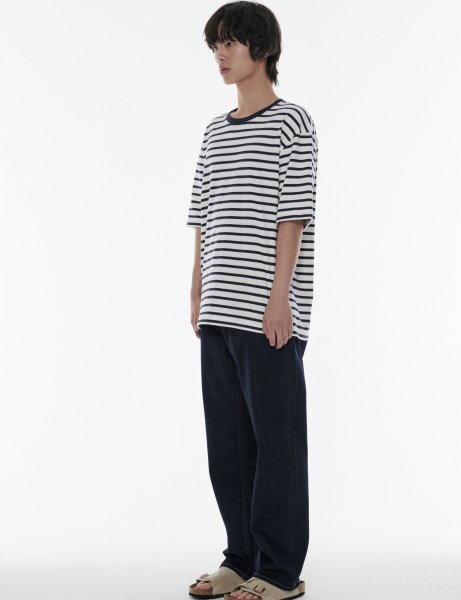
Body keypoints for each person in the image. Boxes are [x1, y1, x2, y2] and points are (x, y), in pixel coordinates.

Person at [186, 3, 318, 599]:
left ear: (261, 48)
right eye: (215, 44)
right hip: (218, 308)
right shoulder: (214, 131)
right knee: (229, 443)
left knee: (276, 443)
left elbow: (293, 213)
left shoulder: (293, 122)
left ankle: (280, 571)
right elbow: (203, 214)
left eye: (231, 42)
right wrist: (196, 287)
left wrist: (280, 297)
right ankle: (241, 558)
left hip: (267, 310)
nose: (220, 53)